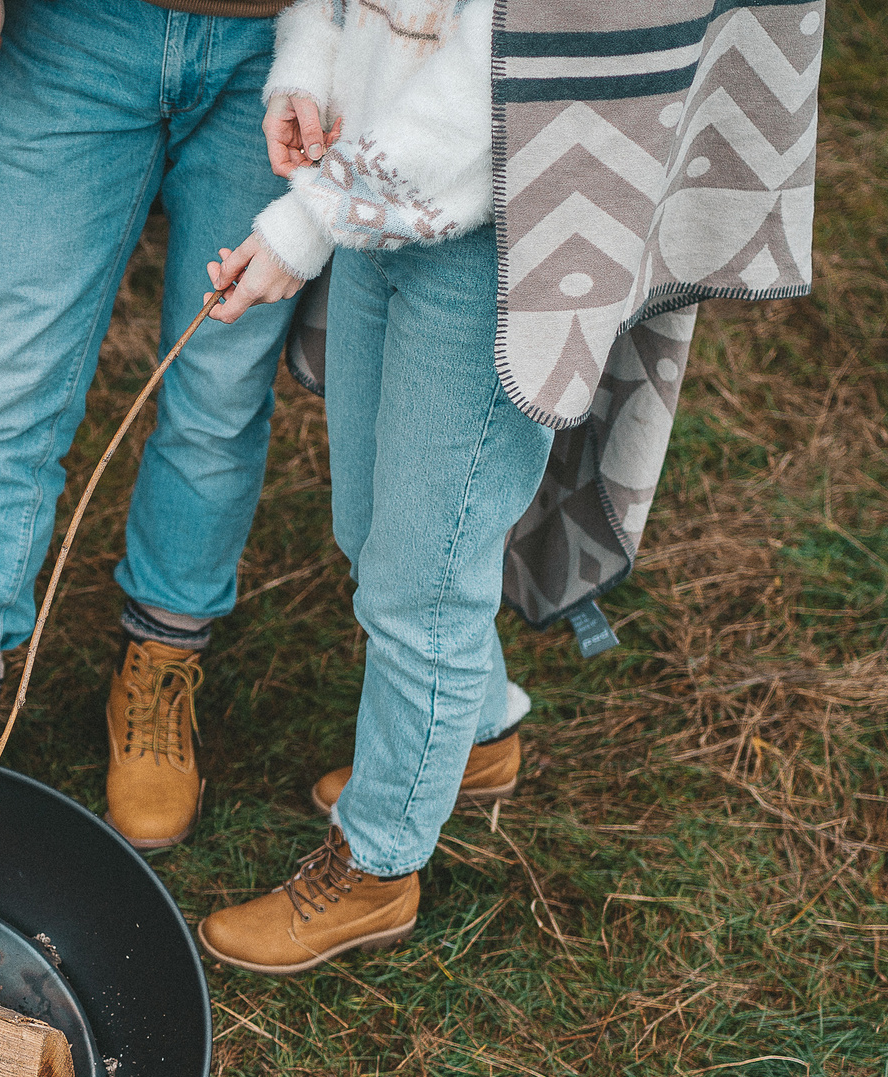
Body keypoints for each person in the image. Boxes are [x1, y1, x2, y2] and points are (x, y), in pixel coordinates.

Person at [0, 0, 300, 853]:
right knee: (12, 378)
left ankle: (161, 657)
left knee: (220, 389)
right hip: (75, 27)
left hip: (288, 46)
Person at [185, 0, 546, 974]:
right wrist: (308, 73)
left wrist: (305, 222)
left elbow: (497, 72)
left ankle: (380, 863)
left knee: (421, 580)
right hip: (371, 207)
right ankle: (471, 733)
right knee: (370, 528)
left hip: (488, 235)